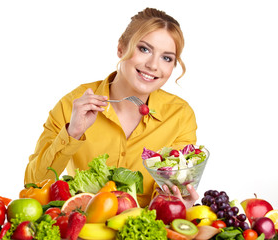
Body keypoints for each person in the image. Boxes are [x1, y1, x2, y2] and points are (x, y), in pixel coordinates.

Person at [24, 7, 199, 208]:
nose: (153, 65)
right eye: (144, 49)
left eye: (166, 58)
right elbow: (33, 185)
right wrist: (73, 132)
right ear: (121, 48)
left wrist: (179, 200)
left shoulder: (179, 116)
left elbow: (173, 190)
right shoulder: (72, 104)